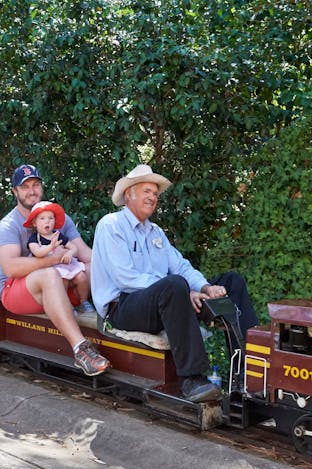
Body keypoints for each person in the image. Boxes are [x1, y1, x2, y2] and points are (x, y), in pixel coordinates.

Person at [91, 164, 259, 403]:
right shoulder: (111, 225)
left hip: (166, 299)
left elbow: (180, 266)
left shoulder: (156, 232)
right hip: (123, 307)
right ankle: (192, 379)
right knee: (174, 286)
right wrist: (183, 290)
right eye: (147, 191)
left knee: (232, 282)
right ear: (129, 194)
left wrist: (203, 288)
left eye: (155, 193)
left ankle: (247, 372)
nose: (152, 197)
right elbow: (125, 278)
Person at [0, 164, 109, 376]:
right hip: (17, 291)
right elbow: (10, 268)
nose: (32, 191)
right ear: (15, 192)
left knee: (95, 267)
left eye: (36, 185)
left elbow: (85, 253)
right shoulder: (8, 226)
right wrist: (53, 259)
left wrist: (119, 266)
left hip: (61, 284)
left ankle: (118, 313)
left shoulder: (58, 219)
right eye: (25, 186)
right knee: (49, 274)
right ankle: (81, 350)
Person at [24, 201, 94, 313]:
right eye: (42, 218)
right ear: (34, 223)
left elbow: (74, 247)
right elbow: (38, 252)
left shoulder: (58, 235)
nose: (47, 221)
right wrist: (51, 246)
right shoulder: (34, 239)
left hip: (66, 265)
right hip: (49, 269)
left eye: (50, 218)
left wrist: (70, 253)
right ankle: (66, 305)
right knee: (63, 281)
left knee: (82, 277)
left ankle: (83, 301)